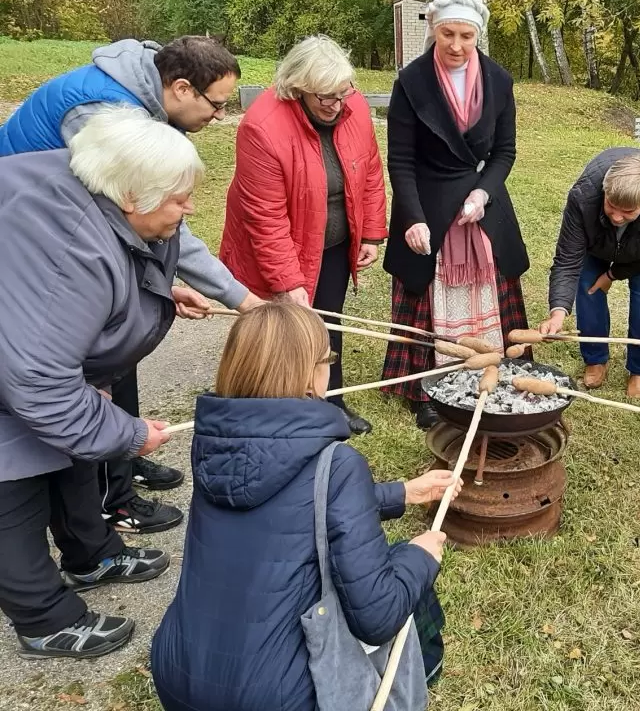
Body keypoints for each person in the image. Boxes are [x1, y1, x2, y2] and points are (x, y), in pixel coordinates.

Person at [0, 35, 263, 534]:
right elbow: (148, 222)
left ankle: (121, 460)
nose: (220, 117)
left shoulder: (143, 102)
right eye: (217, 104)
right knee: (77, 385)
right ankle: (108, 501)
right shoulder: (106, 117)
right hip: (33, 254)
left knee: (114, 365)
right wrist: (242, 298)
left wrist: (155, 288)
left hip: (64, 245)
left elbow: (147, 227)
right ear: (181, 88)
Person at [151, 302, 458, 710]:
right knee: (403, 562)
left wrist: (402, 492)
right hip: (276, 697)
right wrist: (421, 555)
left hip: (180, 674)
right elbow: (378, 615)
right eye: (327, 359)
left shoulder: (215, 450)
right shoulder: (339, 465)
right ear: (311, 374)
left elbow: (287, 511)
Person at [0, 107, 207, 657]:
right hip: (19, 366)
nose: (189, 208)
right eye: (178, 198)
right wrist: (130, 436)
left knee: (72, 446)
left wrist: (158, 290)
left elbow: (122, 262)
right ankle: (43, 619)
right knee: (11, 475)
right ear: (133, 197)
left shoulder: (108, 195)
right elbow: (38, 383)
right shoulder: (67, 247)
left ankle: (91, 554)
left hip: (29, 349)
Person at [219, 35, 387, 436]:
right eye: (324, 97)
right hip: (280, 247)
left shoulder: (354, 106)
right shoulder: (262, 127)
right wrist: (288, 282)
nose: (335, 105)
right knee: (278, 334)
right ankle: (276, 416)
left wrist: (371, 234)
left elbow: (370, 170)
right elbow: (266, 217)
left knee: (328, 322)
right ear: (297, 89)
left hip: (332, 242)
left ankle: (333, 404)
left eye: (342, 94)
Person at [381, 0, 530, 430]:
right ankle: (427, 387)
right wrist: (412, 217)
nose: (457, 46)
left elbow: (505, 151)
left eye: (467, 36)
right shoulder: (411, 83)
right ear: (433, 27)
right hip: (427, 200)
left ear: (477, 34)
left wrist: (483, 192)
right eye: (448, 34)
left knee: (492, 284)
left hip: (482, 203)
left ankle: (490, 367)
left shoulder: (499, 80)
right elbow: (400, 159)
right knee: (429, 291)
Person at [539, 148, 640, 399]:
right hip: (597, 241)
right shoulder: (583, 197)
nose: (618, 217)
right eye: (611, 205)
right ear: (604, 191)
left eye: (628, 211)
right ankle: (595, 358)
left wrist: (612, 274)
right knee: (588, 285)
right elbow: (567, 260)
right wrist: (558, 311)